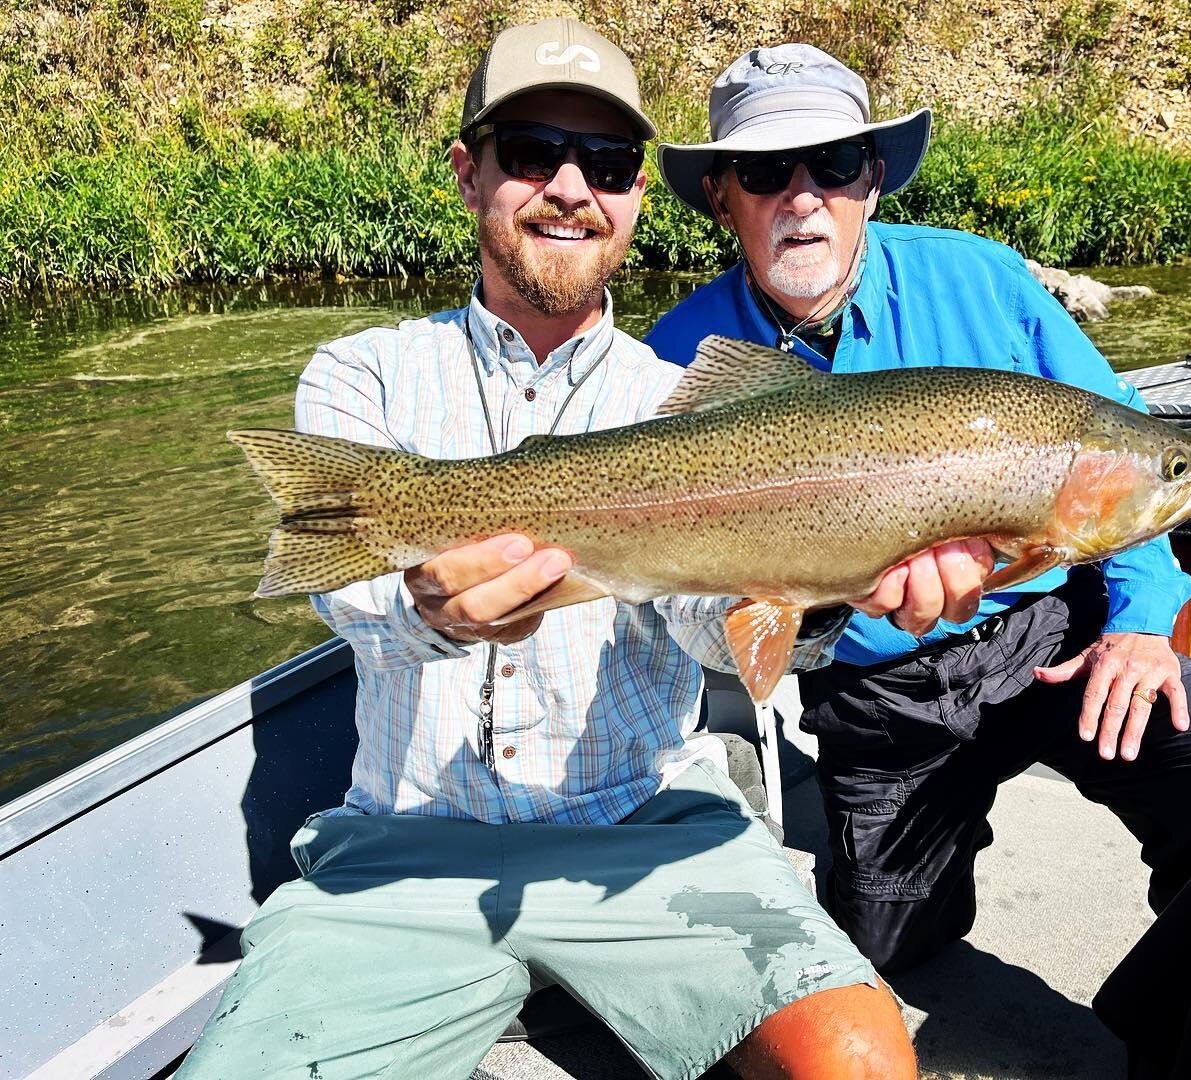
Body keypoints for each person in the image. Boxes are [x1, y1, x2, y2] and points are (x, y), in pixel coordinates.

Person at [179, 22, 919, 1079]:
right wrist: (428, 607)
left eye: (609, 165)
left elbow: (707, 623)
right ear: (469, 173)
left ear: (632, 199)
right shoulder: (362, 376)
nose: (572, 185)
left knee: (859, 1059)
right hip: (403, 847)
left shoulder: (674, 400)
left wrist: (832, 584)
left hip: (645, 824)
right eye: (533, 153)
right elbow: (345, 599)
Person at [646, 44, 1191, 975]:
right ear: (723, 195)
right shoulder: (671, 355)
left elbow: (1121, 457)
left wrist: (1139, 623)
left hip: (1057, 641)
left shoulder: (983, 282)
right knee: (879, 963)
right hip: (876, 698)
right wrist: (824, 610)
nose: (803, 195)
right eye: (766, 171)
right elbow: (675, 601)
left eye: (834, 164)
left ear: (872, 180)